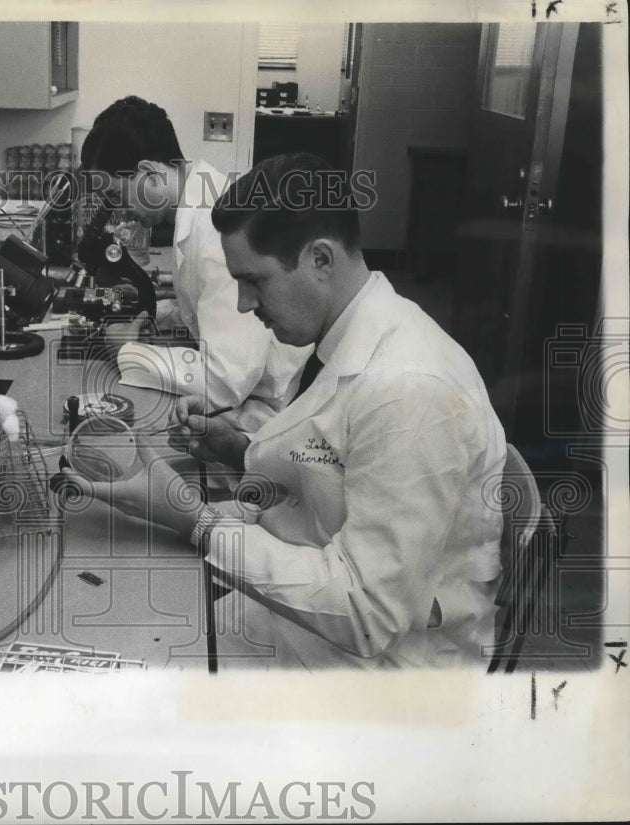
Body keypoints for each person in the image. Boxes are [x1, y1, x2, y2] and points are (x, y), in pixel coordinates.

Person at [60, 152, 507, 669]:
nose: (245, 304)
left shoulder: (410, 390)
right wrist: (239, 450)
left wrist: (198, 522)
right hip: (313, 610)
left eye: (255, 281)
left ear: (320, 259)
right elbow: (342, 465)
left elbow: (367, 613)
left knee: (136, 666)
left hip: (383, 670)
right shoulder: (347, 332)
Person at [78, 96, 308, 433]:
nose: (118, 210)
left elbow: (224, 381)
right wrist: (158, 312)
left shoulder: (217, 231)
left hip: (267, 412)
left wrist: (126, 352)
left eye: (116, 195)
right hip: (248, 392)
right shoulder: (197, 200)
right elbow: (209, 300)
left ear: (148, 174)